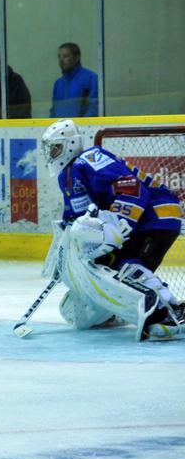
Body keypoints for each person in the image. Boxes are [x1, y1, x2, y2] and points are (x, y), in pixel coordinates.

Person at [41, 119, 184, 339]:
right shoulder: (68, 177)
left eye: (57, 147)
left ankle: (172, 309)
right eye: (50, 149)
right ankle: (117, 309)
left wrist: (117, 224)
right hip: (146, 218)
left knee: (116, 260)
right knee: (109, 262)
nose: (52, 153)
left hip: (156, 213)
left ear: (71, 143)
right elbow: (75, 220)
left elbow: (133, 188)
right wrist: (64, 256)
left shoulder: (89, 159)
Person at [50, 42, 98, 118]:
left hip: (82, 128)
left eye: (65, 56)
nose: (61, 60)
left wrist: (81, 125)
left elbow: (94, 108)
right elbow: (54, 110)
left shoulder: (90, 78)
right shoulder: (58, 83)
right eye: (59, 56)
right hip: (60, 128)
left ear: (76, 58)